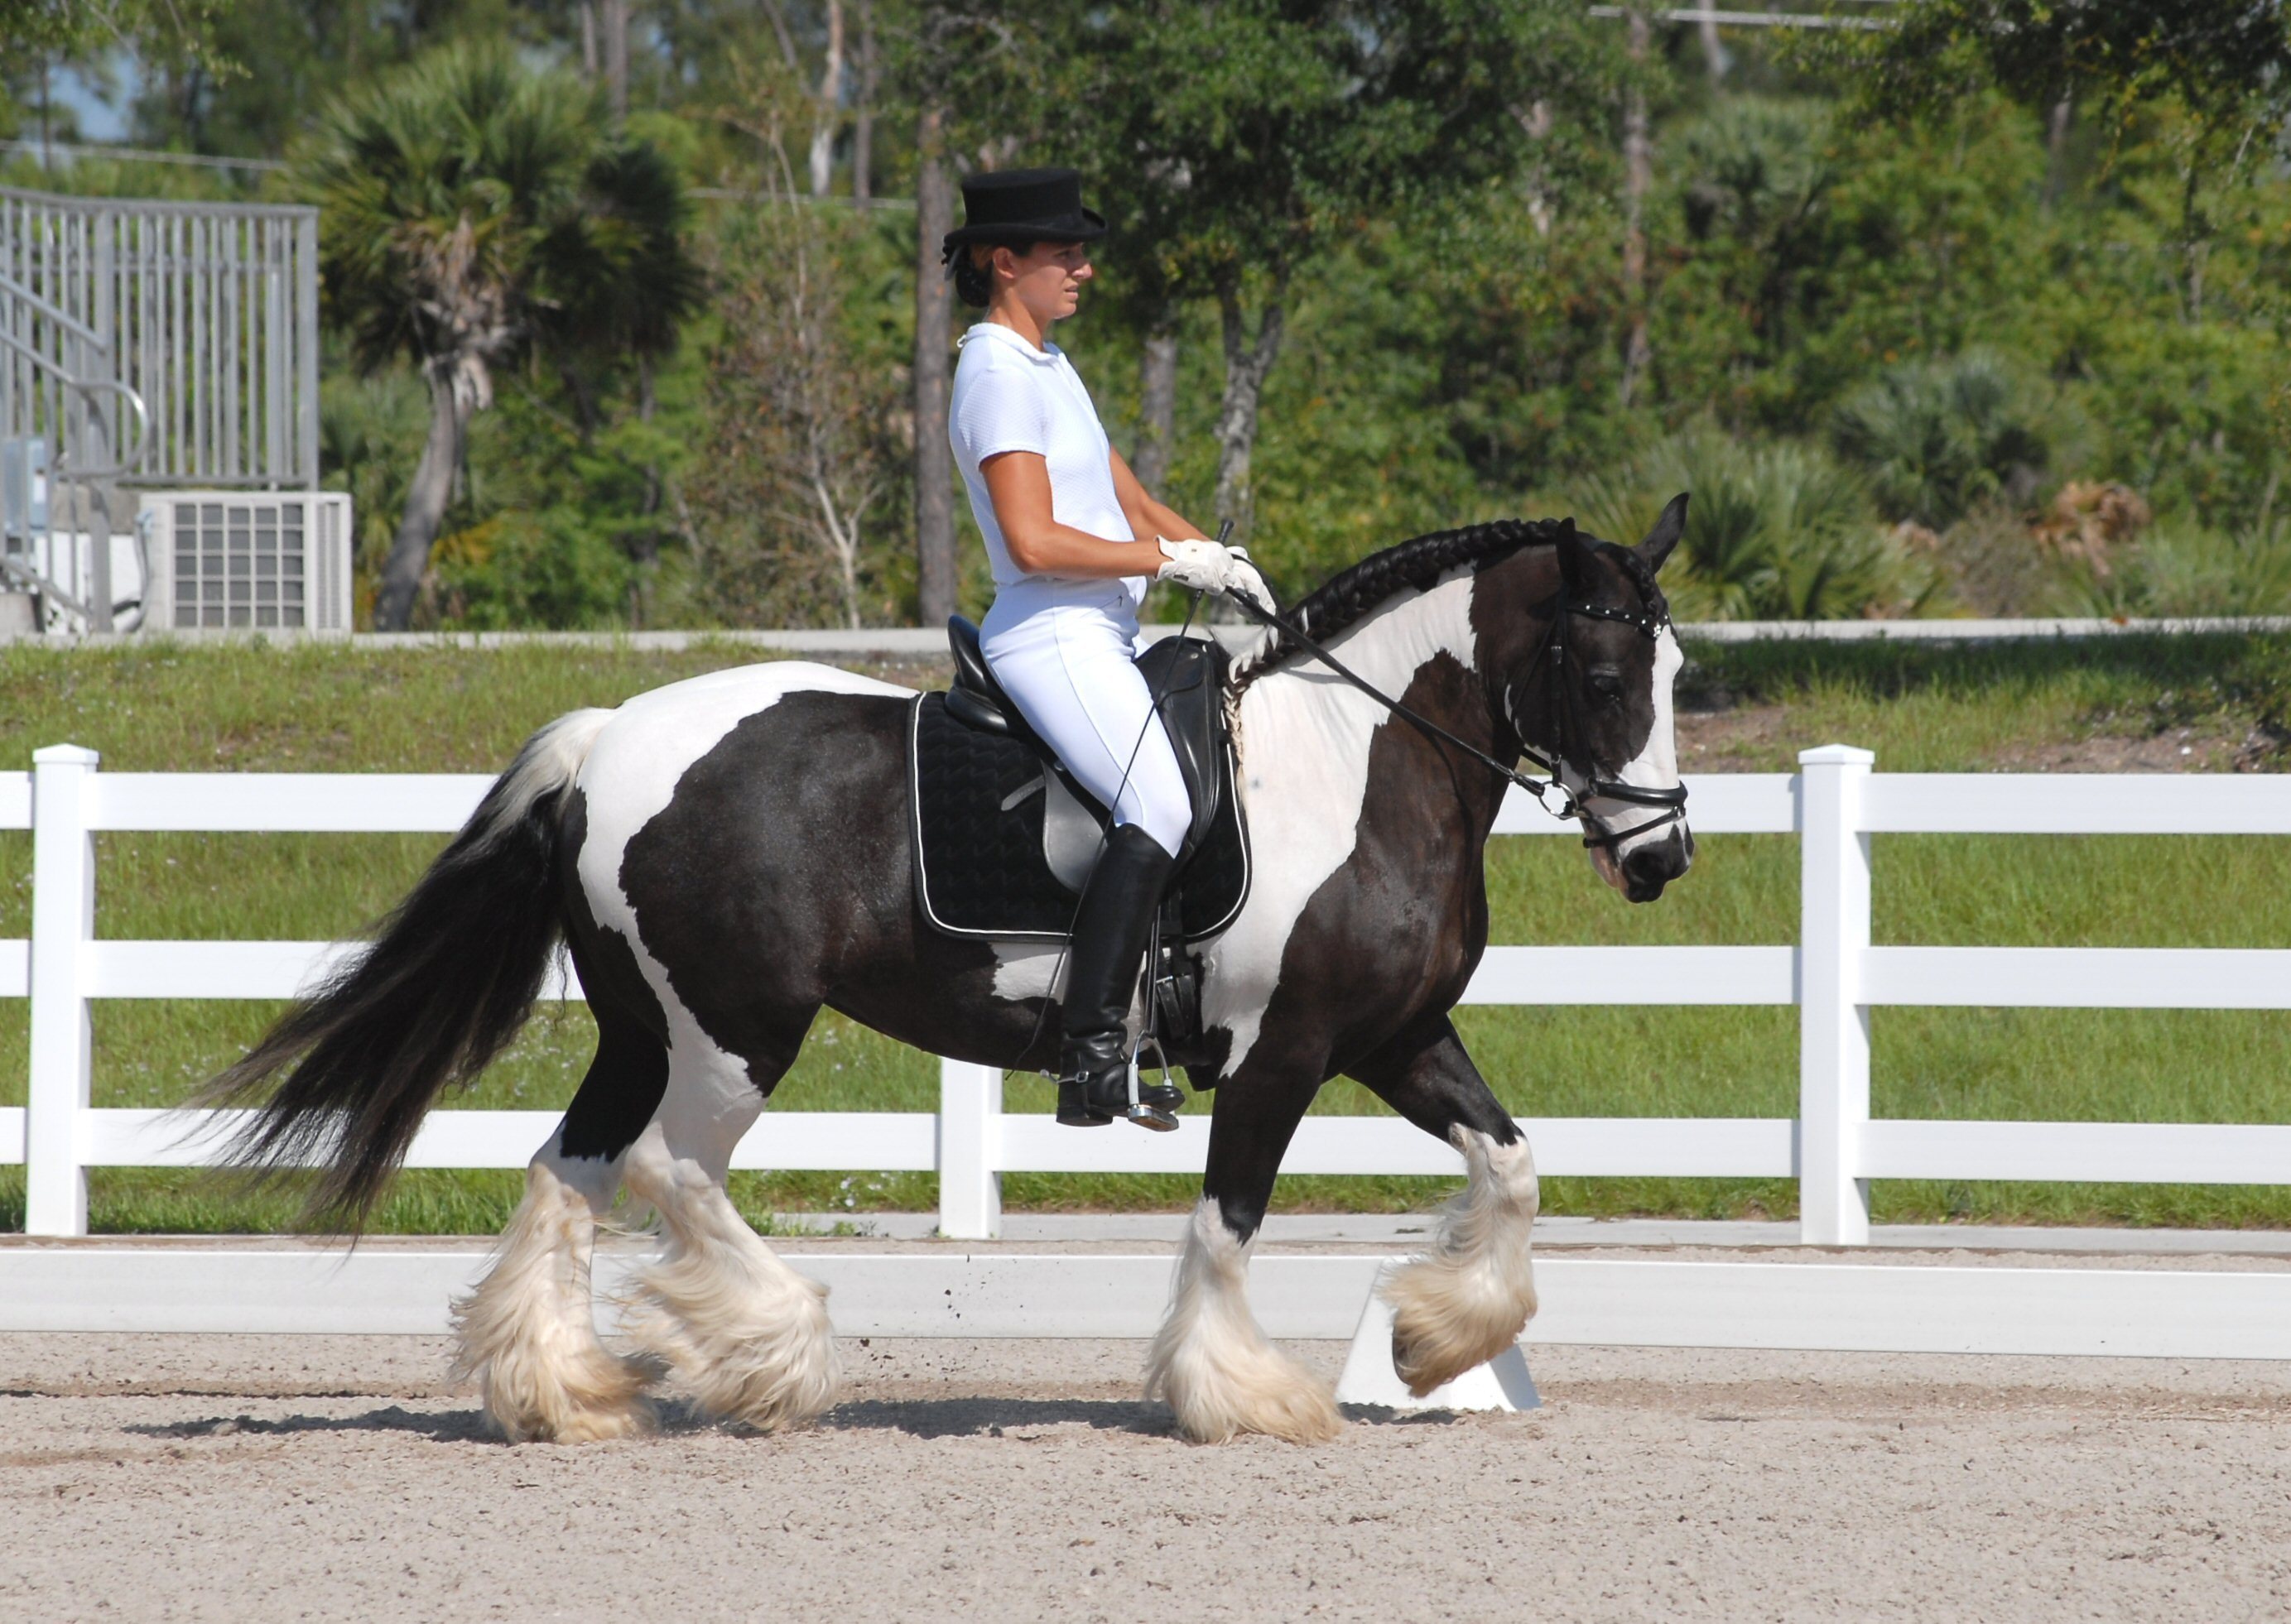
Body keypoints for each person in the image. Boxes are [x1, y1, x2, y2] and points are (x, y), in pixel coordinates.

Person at [941, 166, 1272, 1128]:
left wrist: (1216, 554)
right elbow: (1035, 542)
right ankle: (1090, 1057)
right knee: (1159, 802)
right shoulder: (995, 374)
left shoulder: (1046, 358)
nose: (1082, 269)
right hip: (1049, 630)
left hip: (1100, 628)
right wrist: (1172, 563)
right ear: (1005, 262)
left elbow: (1125, 497)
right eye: (1063, 254)